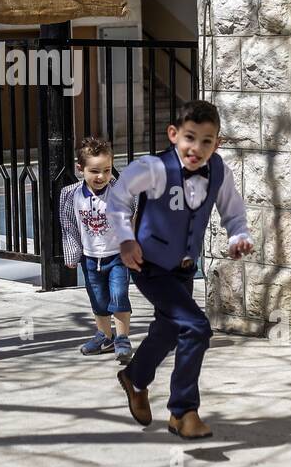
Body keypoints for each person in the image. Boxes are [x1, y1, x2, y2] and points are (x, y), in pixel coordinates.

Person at [107, 100, 253, 440]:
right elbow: (118, 198)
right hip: (149, 265)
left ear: (217, 143)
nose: (197, 148)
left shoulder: (218, 171)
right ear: (174, 135)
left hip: (183, 268)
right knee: (197, 327)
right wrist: (126, 240)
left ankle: (135, 377)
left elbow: (233, 212)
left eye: (206, 140)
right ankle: (183, 412)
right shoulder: (154, 168)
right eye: (190, 137)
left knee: (170, 329)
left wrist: (239, 236)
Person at [58, 136, 135, 363]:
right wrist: (72, 254)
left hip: (117, 256)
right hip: (90, 259)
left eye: (107, 170)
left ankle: (122, 338)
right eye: (94, 171)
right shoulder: (70, 195)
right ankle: (104, 336)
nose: (101, 176)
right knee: (98, 300)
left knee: (118, 296)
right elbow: (69, 225)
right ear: (80, 169)